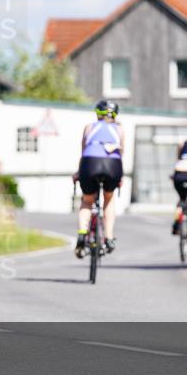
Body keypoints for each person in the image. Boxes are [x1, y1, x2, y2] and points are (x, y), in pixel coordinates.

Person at [72, 100, 123, 257]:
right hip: (112, 165)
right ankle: (108, 237)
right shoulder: (119, 129)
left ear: (97, 114)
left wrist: (78, 173)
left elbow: (83, 152)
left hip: (90, 163)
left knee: (87, 201)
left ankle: (82, 232)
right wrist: (119, 176)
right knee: (108, 199)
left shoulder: (89, 127)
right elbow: (122, 152)